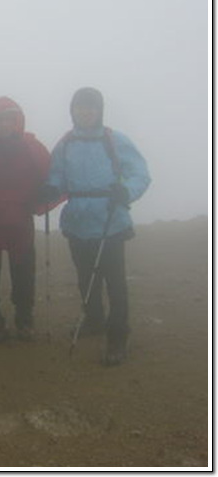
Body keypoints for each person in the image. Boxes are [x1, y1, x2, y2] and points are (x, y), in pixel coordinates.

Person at [42, 87, 150, 366]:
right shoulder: (65, 143)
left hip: (110, 219)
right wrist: (50, 189)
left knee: (115, 283)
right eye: (80, 107)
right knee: (85, 278)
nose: (86, 112)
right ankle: (94, 320)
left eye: (91, 107)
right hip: (78, 221)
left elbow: (140, 173)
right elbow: (57, 175)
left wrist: (125, 191)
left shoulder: (115, 140)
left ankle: (117, 336)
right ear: (72, 110)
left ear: (99, 110)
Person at [0, 96, 51, 343]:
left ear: (18, 121)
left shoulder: (32, 147)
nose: (5, 125)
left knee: (23, 273)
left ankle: (24, 318)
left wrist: (46, 192)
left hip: (20, 220)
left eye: (10, 120)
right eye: (0, 120)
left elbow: (50, 174)